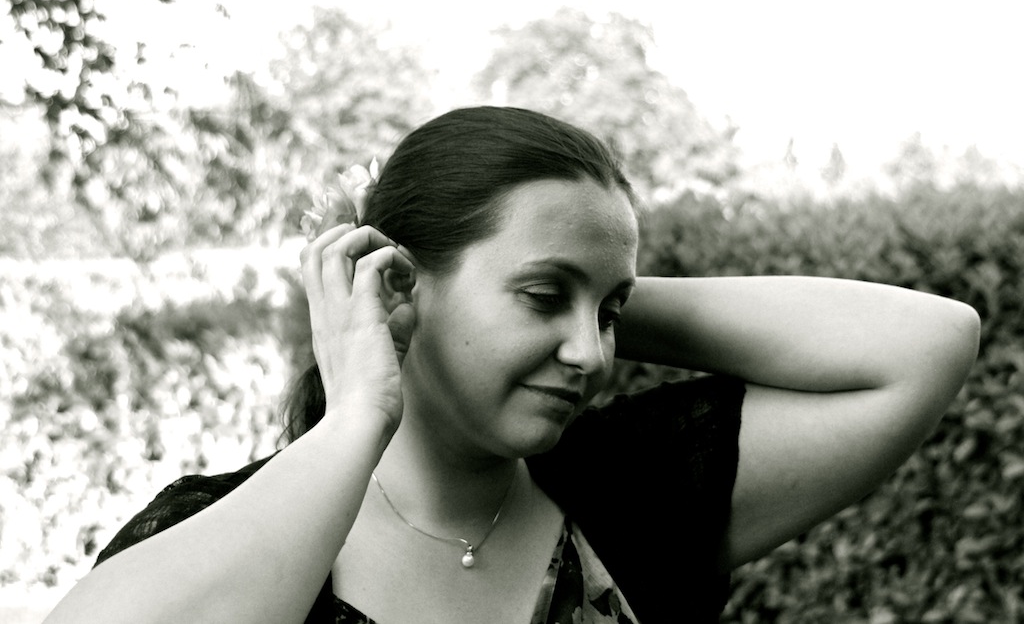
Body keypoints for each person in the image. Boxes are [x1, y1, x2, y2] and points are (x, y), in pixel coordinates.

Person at [45, 106, 980, 623]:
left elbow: (926, 344)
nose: (593, 353)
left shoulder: (633, 492)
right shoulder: (228, 528)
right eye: (541, 295)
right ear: (402, 284)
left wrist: (595, 288)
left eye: (609, 315)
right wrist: (357, 415)